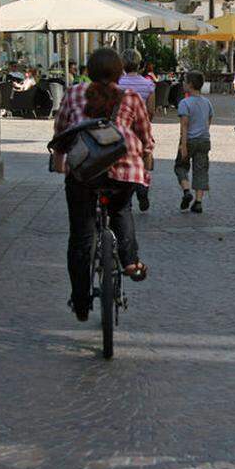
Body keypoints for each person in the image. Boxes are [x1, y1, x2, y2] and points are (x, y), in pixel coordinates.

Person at [53, 48, 154, 322]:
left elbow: (61, 130)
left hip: (84, 172)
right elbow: (145, 136)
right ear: (121, 72)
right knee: (121, 211)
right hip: (123, 172)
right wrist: (146, 152)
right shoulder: (131, 98)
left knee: (81, 237)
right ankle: (131, 261)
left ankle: (81, 300)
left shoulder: (74, 93)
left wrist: (60, 158)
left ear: (88, 70)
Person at [119, 49, 157, 211]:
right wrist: (146, 123)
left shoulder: (118, 83)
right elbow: (151, 111)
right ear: (139, 64)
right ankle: (143, 184)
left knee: (123, 161)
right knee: (143, 158)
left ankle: (126, 195)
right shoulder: (148, 84)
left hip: (122, 129)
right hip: (141, 127)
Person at [175, 71, 214, 214]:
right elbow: (209, 120)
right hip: (204, 140)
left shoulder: (184, 103)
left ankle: (186, 191)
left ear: (190, 85)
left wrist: (183, 145)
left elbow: (184, 125)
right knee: (201, 170)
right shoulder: (207, 102)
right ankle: (198, 202)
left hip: (189, 140)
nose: (183, 84)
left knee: (180, 166)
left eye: (185, 81)